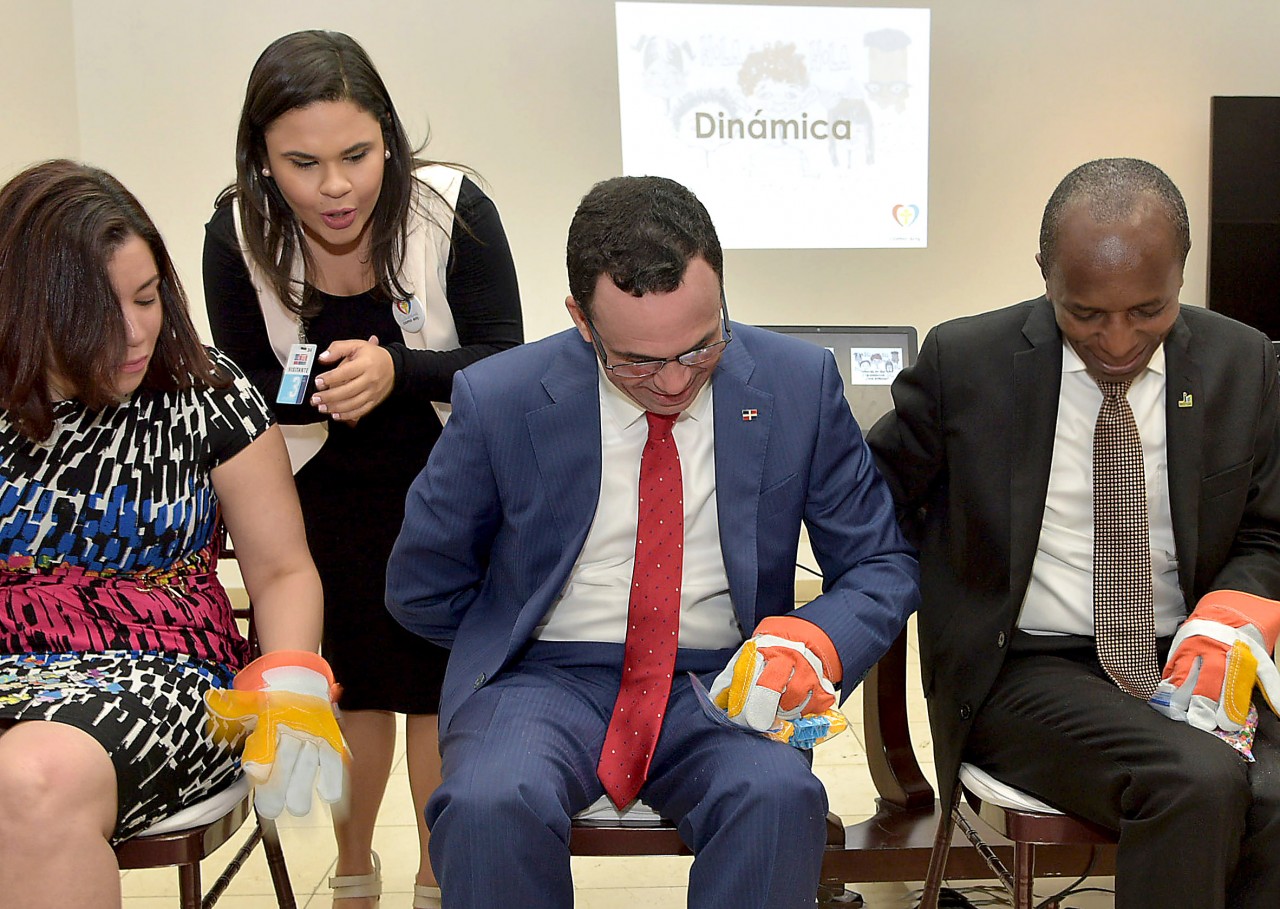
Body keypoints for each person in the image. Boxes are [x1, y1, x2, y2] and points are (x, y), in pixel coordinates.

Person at [386, 174, 919, 909]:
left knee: (777, 798)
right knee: (487, 803)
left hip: (721, 679)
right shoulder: (501, 396)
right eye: (637, 360)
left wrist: (814, 640)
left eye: (700, 348)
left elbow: (879, 562)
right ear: (581, 319)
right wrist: (506, 631)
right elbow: (423, 582)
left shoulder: (797, 383)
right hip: (545, 675)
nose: (672, 382)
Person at [866, 157, 1280, 908]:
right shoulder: (968, 364)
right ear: (1044, 274)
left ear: (1182, 273)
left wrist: (1229, 611)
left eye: (1148, 311)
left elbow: (1269, 533)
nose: (1118, 341)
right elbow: (870, 509)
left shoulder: (1241, 363)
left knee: (1272, 792)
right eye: (1085, 314)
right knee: (1194, 779)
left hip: (1190, 661)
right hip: (1024, 669)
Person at [202, 29, 523, 909]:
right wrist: (319, 388)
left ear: (389, 136)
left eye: (356, 155)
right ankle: (352, 869)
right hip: (317, 489)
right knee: (354, 681)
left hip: (448, 477)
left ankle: (436, 873)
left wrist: (397, 370)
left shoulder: (449, 210)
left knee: (437, 690)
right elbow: (242, 384)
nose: (336, 187)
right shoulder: (237, 232)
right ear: (262, 160)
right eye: (302, 164)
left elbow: (505, 359)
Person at [0, 160, 334, 909]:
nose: (135, 331)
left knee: (33, 779)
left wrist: (288, 686)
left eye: (147, 298)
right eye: (99, 314)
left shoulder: (204, 393)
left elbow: (282, 570)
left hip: (160, 671)